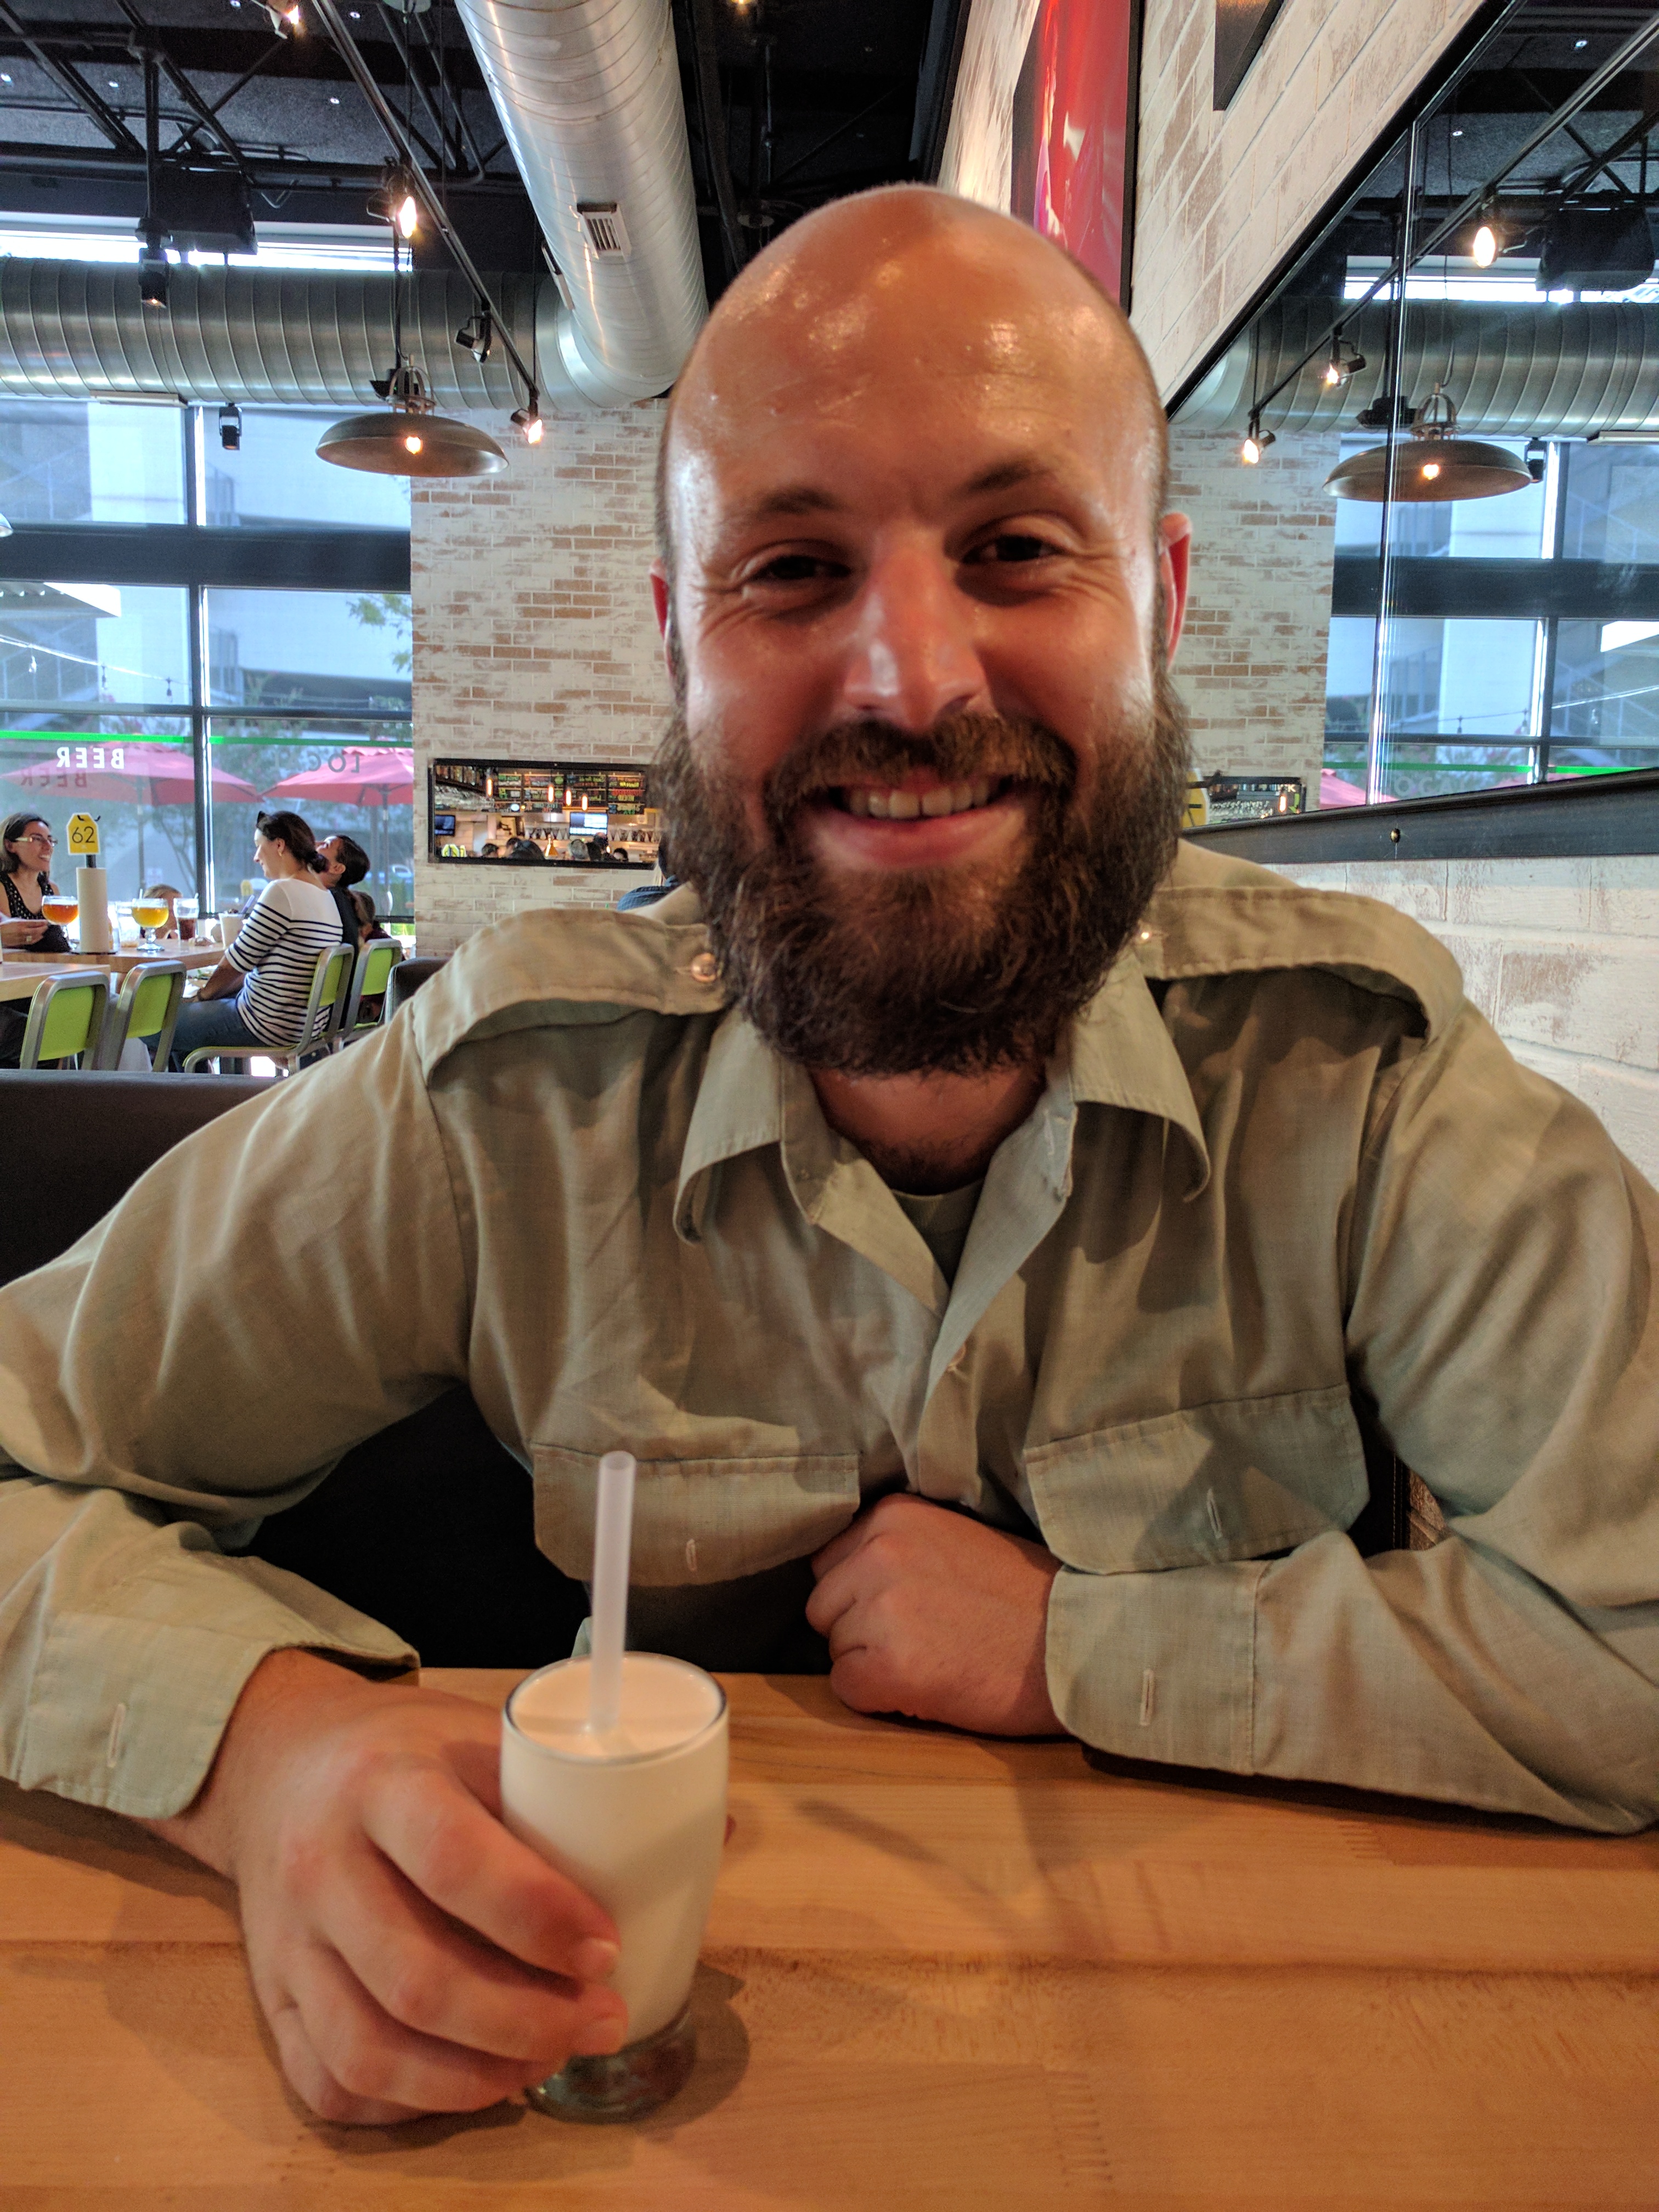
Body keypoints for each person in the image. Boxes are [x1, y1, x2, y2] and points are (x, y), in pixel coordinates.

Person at [0, 190, 1655, 2130]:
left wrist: (1079, 1648)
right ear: (673, 643)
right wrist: (259, 1758)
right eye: (789, 567)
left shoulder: (1363, 1073)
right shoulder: (499, 1095)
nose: (907, 679)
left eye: (1018, 547)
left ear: (1168, 604)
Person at [168, 810, 343, 1069]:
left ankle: (192, 1103)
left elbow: (235, 964)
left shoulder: (283, 891)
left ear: (280, 845)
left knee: (160, 1022)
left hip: (266, 1023)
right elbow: (248, 963)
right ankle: (206, 1098)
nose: (256, 856)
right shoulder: (324, 896)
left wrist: (203, 997)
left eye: (259, 847)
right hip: (301, 1024)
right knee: (191, 1019)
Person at [1, 814, 67, 1066]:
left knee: (107, 1009)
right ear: (10, 845)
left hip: (46, 985)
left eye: (50, 840)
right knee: (44, 1034)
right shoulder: (3, 887)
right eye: (37, 839)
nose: (47, 846)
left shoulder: (52, 890)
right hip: (19, 991)